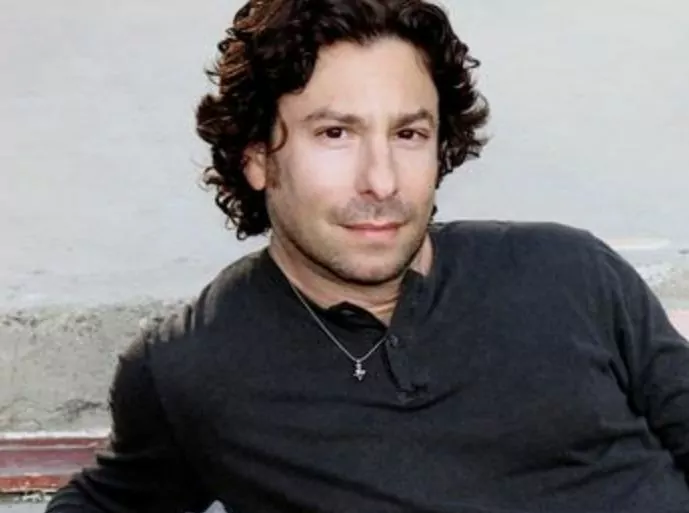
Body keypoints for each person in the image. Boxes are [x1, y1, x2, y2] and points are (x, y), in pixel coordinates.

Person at [45, 0, 689, 511]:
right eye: (335, 133)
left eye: (408, 133)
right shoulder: (191, 366)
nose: (381, 181)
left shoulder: (570, 273)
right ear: (257, 158)